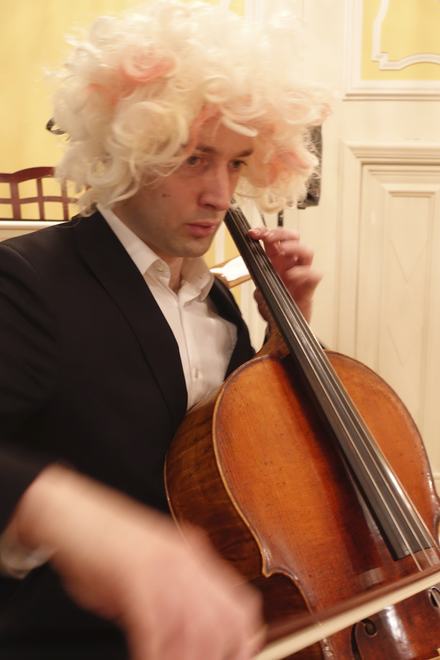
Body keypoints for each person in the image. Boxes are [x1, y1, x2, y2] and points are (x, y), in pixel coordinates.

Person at [0, 1, 329, 658]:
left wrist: (286, 332)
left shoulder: (218, 304)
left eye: (237, 163)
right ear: (130, 148)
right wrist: (70, 515)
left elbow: (246, 461)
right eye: (194, 159)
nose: (220, 195)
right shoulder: (27, 280)